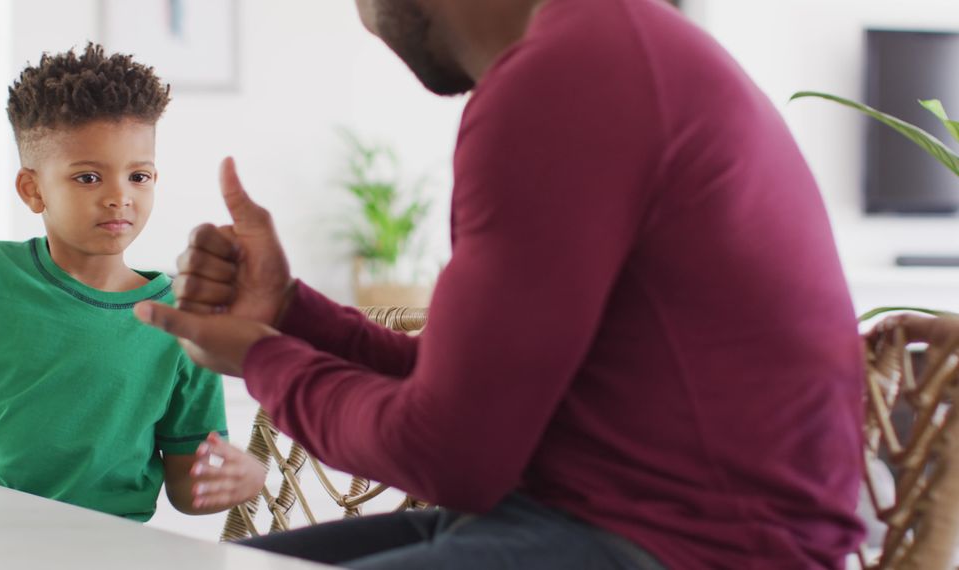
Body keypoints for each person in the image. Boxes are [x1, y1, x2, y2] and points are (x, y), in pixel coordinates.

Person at [134, 0, 864, 567]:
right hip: (605, 524)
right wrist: (290, 314)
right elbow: (468, 396)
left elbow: (449, 455)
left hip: (682, 552)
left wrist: (261, 359)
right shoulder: (607, 48)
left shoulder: (565, 77)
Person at [0, 43, 264, 522]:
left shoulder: (185, 318)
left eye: (139, 176)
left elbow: (187, 491)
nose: (119, 197)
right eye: (87, 178)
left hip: (114, 549)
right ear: (32, 189)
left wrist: (243, 480)